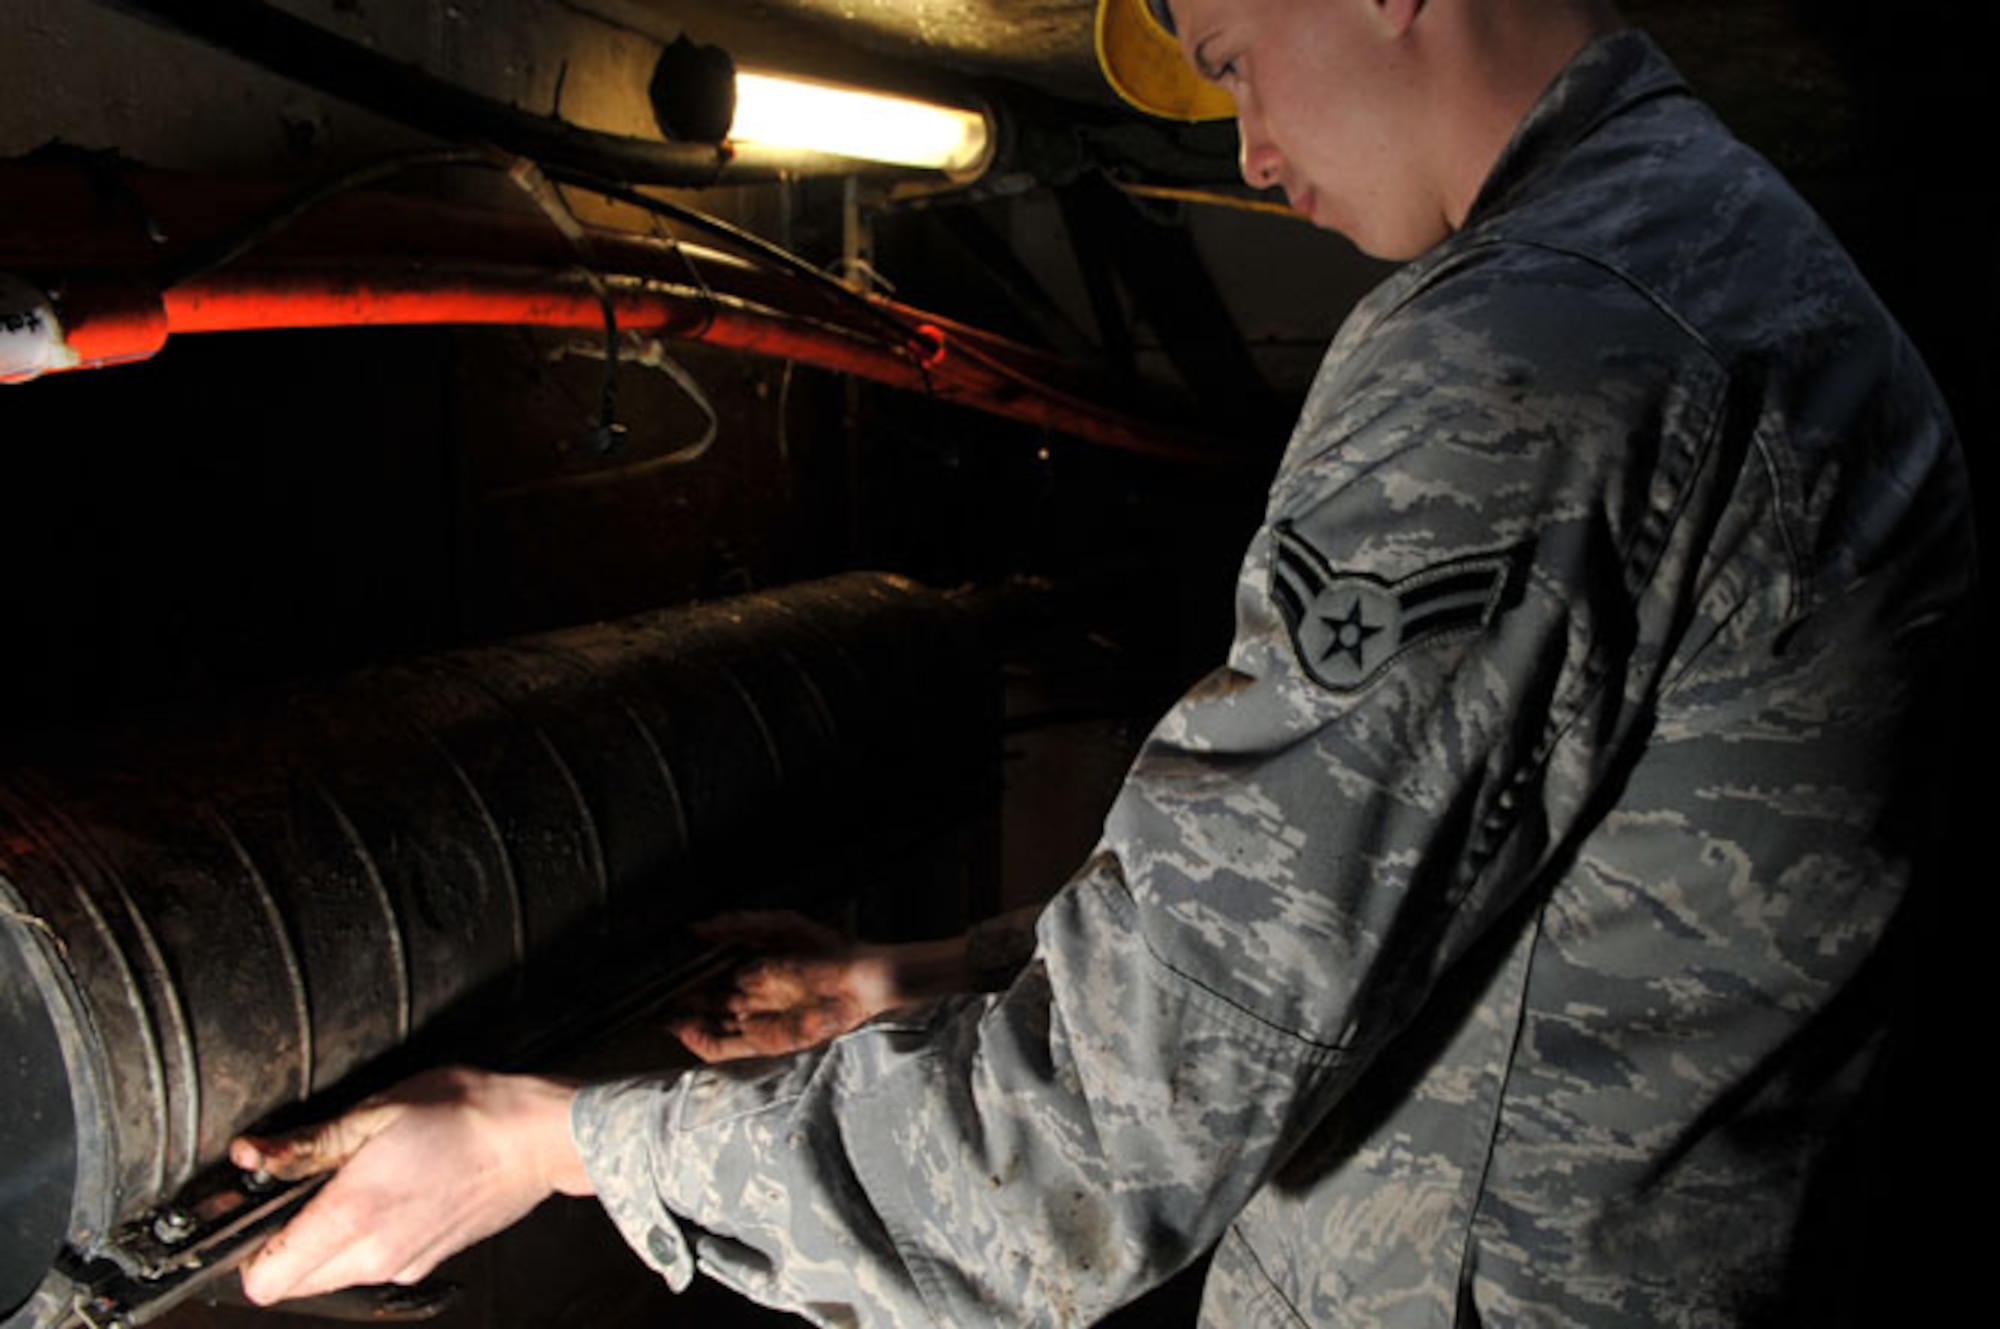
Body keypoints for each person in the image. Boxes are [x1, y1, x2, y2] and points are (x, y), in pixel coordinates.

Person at [229, 0, 1977, 1323]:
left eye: (1231, 57)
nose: (1246, 151)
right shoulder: (1724, 261)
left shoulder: (1532, 355)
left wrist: (559, 1145)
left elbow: (1093, 1160)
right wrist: (930, 978)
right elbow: (1448, 910)